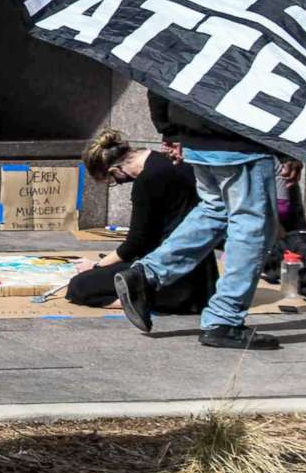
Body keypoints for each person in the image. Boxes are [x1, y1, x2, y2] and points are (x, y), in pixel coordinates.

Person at [114, 95, 286, 350]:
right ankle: (224, 319)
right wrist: (288, 147)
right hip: (239, 137)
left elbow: (157, 72)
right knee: (252, 224)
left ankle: (146, 273)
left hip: (195, 131)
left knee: (215, 210)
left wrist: (171, 131)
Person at [65, 128, 217, 315]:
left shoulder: (147, 180)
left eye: (112, 180)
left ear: (115, 170)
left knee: (79, 286)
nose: (118, 183)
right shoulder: (171, 161)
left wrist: (96, 267)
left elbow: (136, 243)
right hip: (201, 273)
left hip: (171, 276)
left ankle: (132, 300)